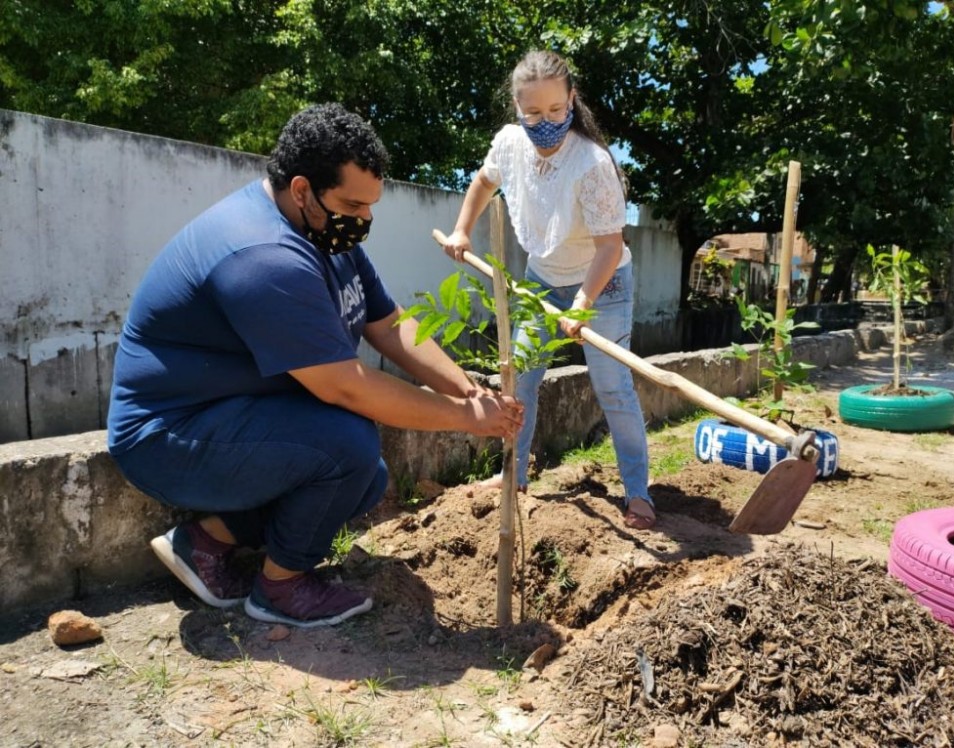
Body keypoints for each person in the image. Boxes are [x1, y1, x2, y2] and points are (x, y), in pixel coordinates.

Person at [107, 103, 523, 628]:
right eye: (354, 203)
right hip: (167, 438)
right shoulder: (265, 256)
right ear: (302, 189)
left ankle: (204, 543)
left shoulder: (327, 233)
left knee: (365, 477)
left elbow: (390, 324)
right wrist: (466, 420)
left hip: (229, 415)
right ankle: (281, 588)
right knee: (347, 444)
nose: (365, 219)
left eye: (371, 205)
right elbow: (344, 387)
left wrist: (467, 391)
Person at [441, 50, 655, 531]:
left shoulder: (592, 163)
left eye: (556, 111)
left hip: (604, 284)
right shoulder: (509, 144)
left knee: (612, 387)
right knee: (520, 380)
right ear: (517, 109)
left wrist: (582, 305)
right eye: (533, 113)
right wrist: (461, 230)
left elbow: (609, 245)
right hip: (542, 283)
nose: (545, 122)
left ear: (572, 101)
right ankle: (512, 474)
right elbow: (483, 181)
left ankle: (639, 494)